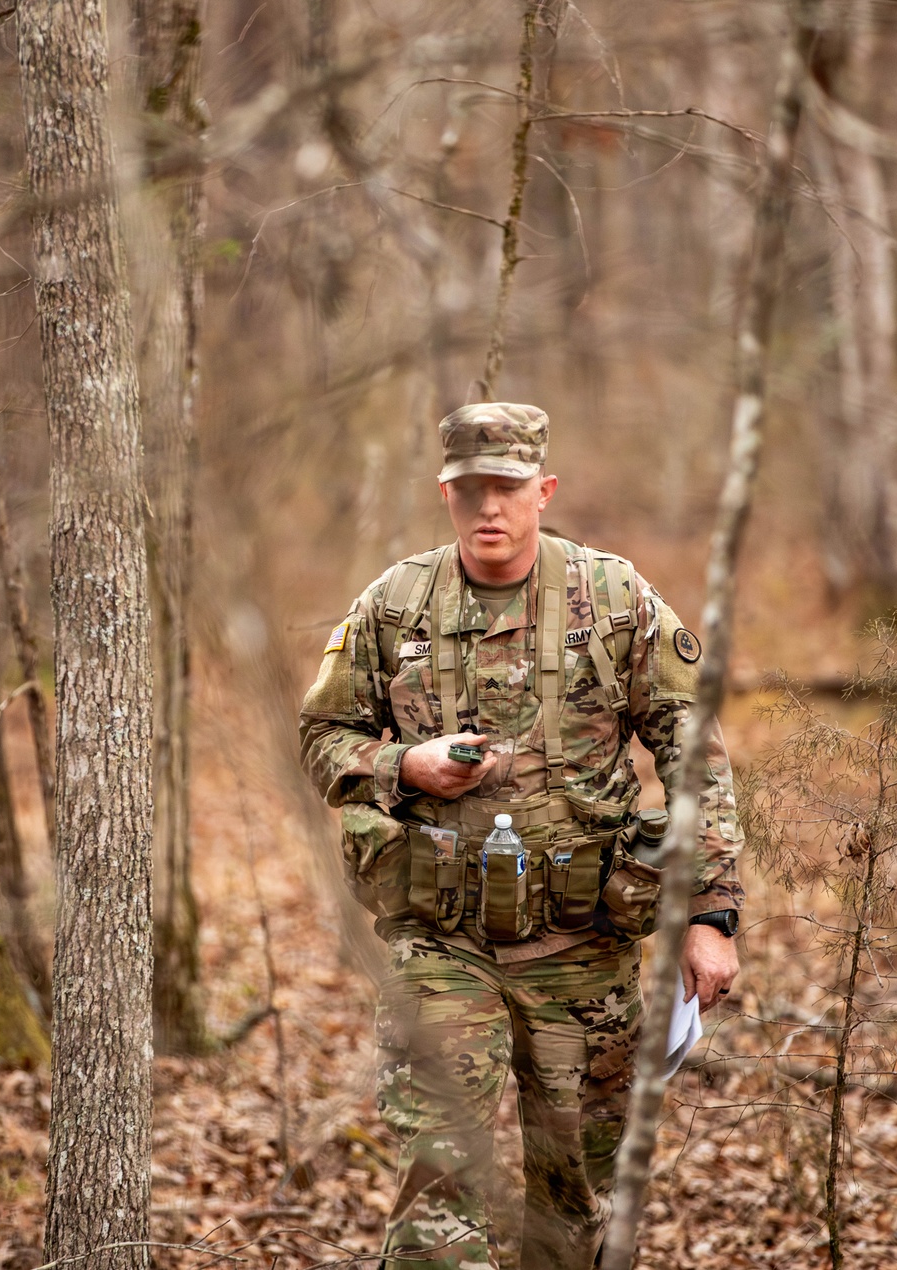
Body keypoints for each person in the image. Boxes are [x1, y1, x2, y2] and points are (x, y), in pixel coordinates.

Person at [299, 402, 743, 1270]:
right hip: (442, 940)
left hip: (585, 944)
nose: (488, 509)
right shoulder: (394, 605)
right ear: (446, 493)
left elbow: (696, 757)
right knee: (440, 1170)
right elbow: (322, 736)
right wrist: (406, 768)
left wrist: (711, 916)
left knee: (574, 1196)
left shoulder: (614, 599)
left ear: (543, 490)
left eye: (506, 488)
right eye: (470, 491)